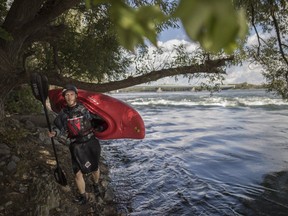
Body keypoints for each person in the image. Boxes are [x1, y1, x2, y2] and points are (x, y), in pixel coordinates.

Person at [48, 84, 102, 205]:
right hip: (76, 145)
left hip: (90, 142)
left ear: (76, 96)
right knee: (77, 173)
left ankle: (96, 184)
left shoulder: (85, 109)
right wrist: (54, 133)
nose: (69, 96)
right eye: (66, 95)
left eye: (71, 94)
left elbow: (97, 120)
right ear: (64, 97)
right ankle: (83, 196)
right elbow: (58, 127)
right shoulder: (64, 114)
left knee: (94, 168)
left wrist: (101, 126)